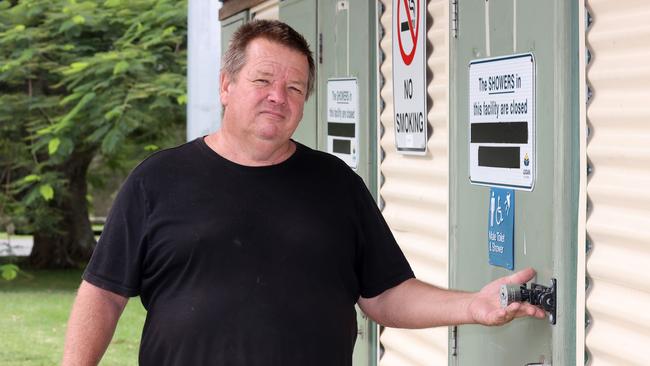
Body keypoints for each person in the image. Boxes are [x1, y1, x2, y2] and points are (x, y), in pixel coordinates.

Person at [62, 20, 545, 366]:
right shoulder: (157, 180)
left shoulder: (336, 185)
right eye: (263, 80)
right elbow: (103, 294)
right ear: (226, 85)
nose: (279, 96)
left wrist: (473, 307)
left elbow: (385, 295)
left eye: (295, 88)